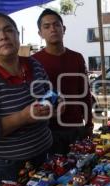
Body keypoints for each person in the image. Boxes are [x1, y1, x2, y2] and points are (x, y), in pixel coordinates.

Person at [0, 13, 54, 186]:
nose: (3, 36)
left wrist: (55, 105)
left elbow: (49, 94)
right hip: (6, 166)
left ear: (17, 35)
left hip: (43, 153)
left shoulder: (34, 65)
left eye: (8, 30)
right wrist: (22, 117)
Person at [33, 9, 94, 155]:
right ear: (40, 34)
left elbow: (85, 92)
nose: (52, 29)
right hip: (48, 131)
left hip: (76, 127)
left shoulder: (77, 58)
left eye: (56, 25)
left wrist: (89, 122)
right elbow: (32, 97)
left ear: (63, 29)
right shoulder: (34, 61)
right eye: (46, 26)